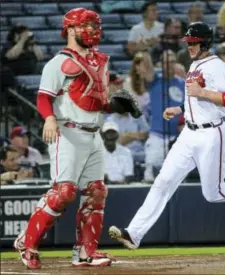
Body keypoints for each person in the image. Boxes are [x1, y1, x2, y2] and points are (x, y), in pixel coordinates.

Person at [108, 22, 225, 250]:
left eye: (193, 42)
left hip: (213, 133)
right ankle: (134, 233)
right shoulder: (194, 64)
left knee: (214, 193)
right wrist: (181, 110)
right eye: (188, 42)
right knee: (163, 181)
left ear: (204, 42)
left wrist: (203, 92)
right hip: (189, 133)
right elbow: (197, 101)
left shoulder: (217, 65)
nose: (189, 46)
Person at [12, 7, 134, 269]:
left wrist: (115, 107)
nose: (91, 30)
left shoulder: (100, 61)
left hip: (94, 134)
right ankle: (27, 242)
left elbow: (97, 101)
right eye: (84, 25)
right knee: (64, 192)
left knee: (97, 191)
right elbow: (44, 96)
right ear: (69, 30)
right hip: (67, 131)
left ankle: (85, 253)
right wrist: (49, 118)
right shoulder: (58, 62)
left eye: (94, 25)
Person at [143, 50, 185, 182]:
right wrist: (147, 49)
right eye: (167, 62)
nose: (170, 65)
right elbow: (146, 67)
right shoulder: (155, 80)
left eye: (173, 62)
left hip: (178, 137)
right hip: (157, 136)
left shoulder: (183, 84)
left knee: (178, 176)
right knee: (150, 175)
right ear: (161, 64)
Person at [123, 52, 151, 121]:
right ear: (137, 66)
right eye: (145, 63)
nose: (148, 66)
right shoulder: (128, 82)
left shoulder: (152, 82)